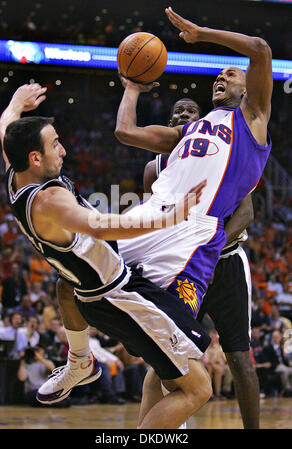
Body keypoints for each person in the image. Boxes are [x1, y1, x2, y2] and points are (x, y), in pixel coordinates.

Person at [0, 84, 210, 429]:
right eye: (55, 144)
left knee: (66, 283)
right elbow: (103, 225)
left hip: (87, 291)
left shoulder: (15, 175)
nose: (63, 150)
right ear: (35, 158)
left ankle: (80, 360)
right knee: (198, 388)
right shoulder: (49, 202)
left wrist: (16, 104)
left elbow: (6, 128)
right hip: (120, 296)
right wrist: (171, 216)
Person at [114, 7, 272, 429]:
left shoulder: (252, 121)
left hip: (215, 249)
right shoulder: (192, 131)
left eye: (230, 75)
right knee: (164, 354)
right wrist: (131, 86)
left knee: (237, 357)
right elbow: (126, 133)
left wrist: (201, 34)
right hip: (175, 243)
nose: (220, 78)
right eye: (216, 76)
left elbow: (259, 49)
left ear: (249, 90)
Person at [143, 97, 258, 427]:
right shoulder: (156, 168)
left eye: (190, 112)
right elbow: (154, 220)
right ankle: (167, 426)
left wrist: (210, 242)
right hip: (184, 267)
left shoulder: (227, 155)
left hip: (225, 264)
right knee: (166, 353)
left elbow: (246, 213)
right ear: (171, 126)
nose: (182, 115)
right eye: (177, 112)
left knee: (238, 357)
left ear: (200, 123)